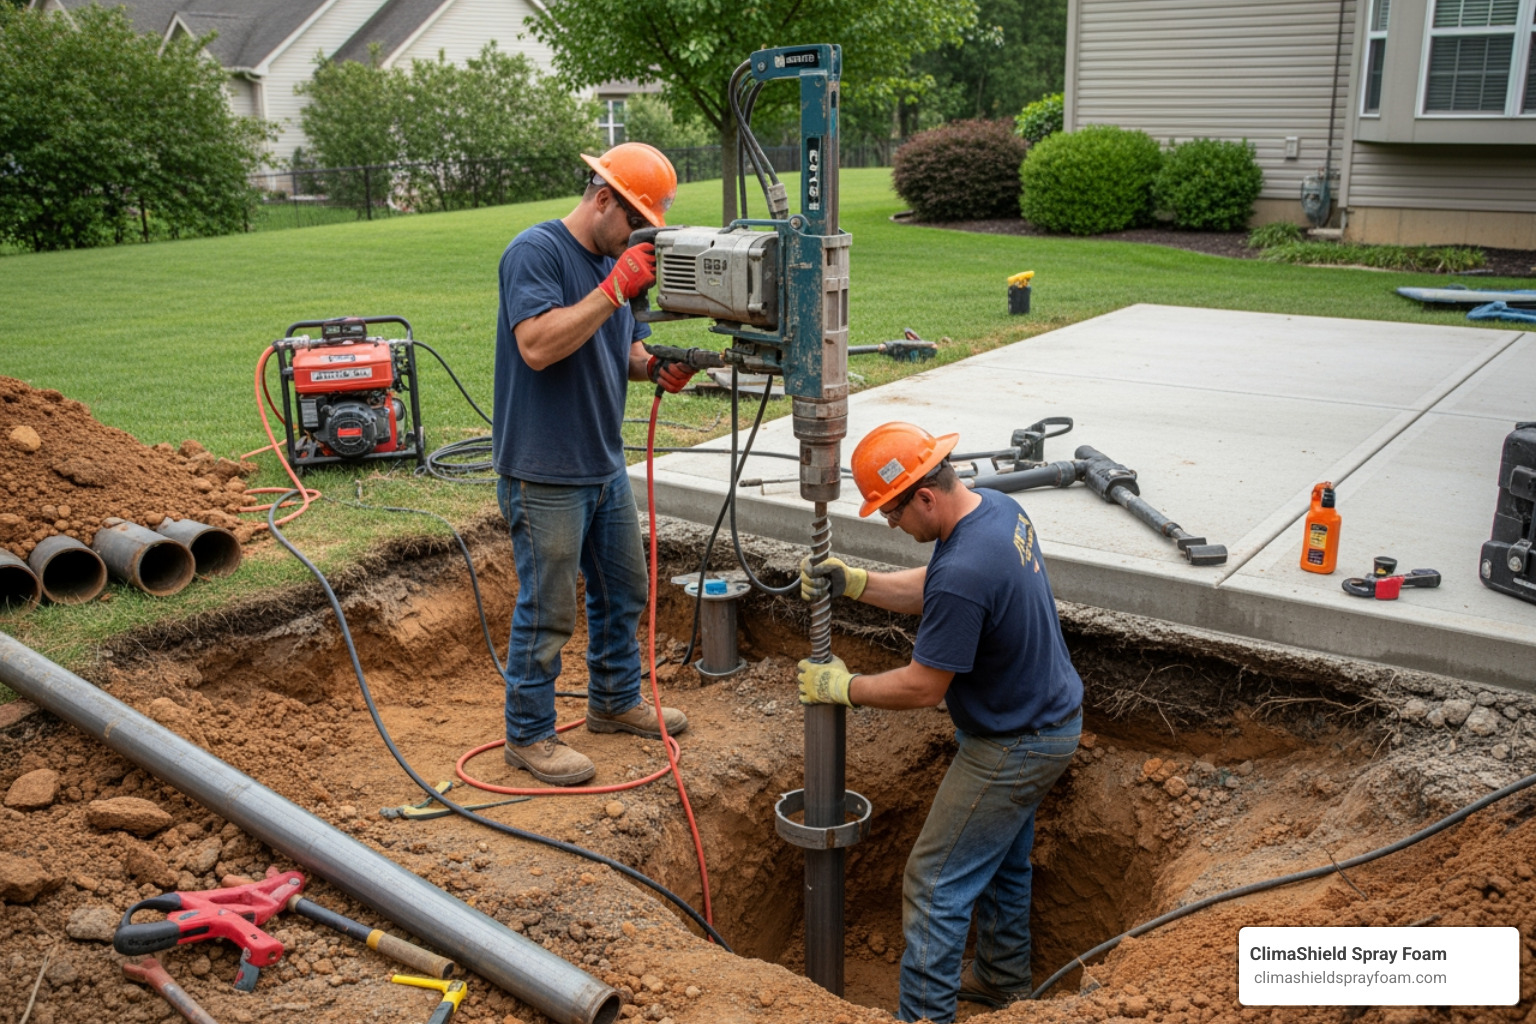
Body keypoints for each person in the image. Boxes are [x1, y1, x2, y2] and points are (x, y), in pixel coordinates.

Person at [796, 421, 1084, 1023]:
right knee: (1003, 860)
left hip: (1014, 744)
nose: (891, 525)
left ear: (925, 495)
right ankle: (1004, 982)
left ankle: (924, 1017)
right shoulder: (995, 511)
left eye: (893, 513)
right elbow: (937, 587)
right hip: (1047, 717)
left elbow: (923, 686)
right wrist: (858, 583)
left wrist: (842, 688)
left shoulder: (965, 570)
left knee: (932, 885)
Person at [492, 142, 696, 786]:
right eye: (637, 221)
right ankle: (527, 735)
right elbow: (538, 346)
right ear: (602, 198)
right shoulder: (537, 252)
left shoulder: (620, 261)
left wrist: (655, 365)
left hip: (603, 461)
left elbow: (626, 350)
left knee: (625, 588)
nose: (643, 237)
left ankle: (613, 699)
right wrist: (615, 289)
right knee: (549, 607)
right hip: (544, 466)